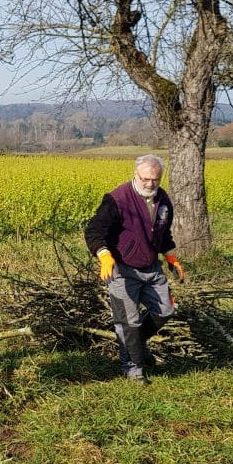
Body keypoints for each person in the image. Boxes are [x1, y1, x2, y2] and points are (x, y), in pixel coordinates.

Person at [84, 154, 185, 383]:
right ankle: (133, 370)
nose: (151, 184)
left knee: (166, 310)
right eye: (146, 179)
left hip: (151, 268)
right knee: (128, 322)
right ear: (135, 174)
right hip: (121, 270)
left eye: (156, 180)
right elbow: (93, 231)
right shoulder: (117, 199)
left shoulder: (163, 200)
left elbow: (162, 232)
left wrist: (171, 256)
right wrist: (104, 255)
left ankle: (136, 346)